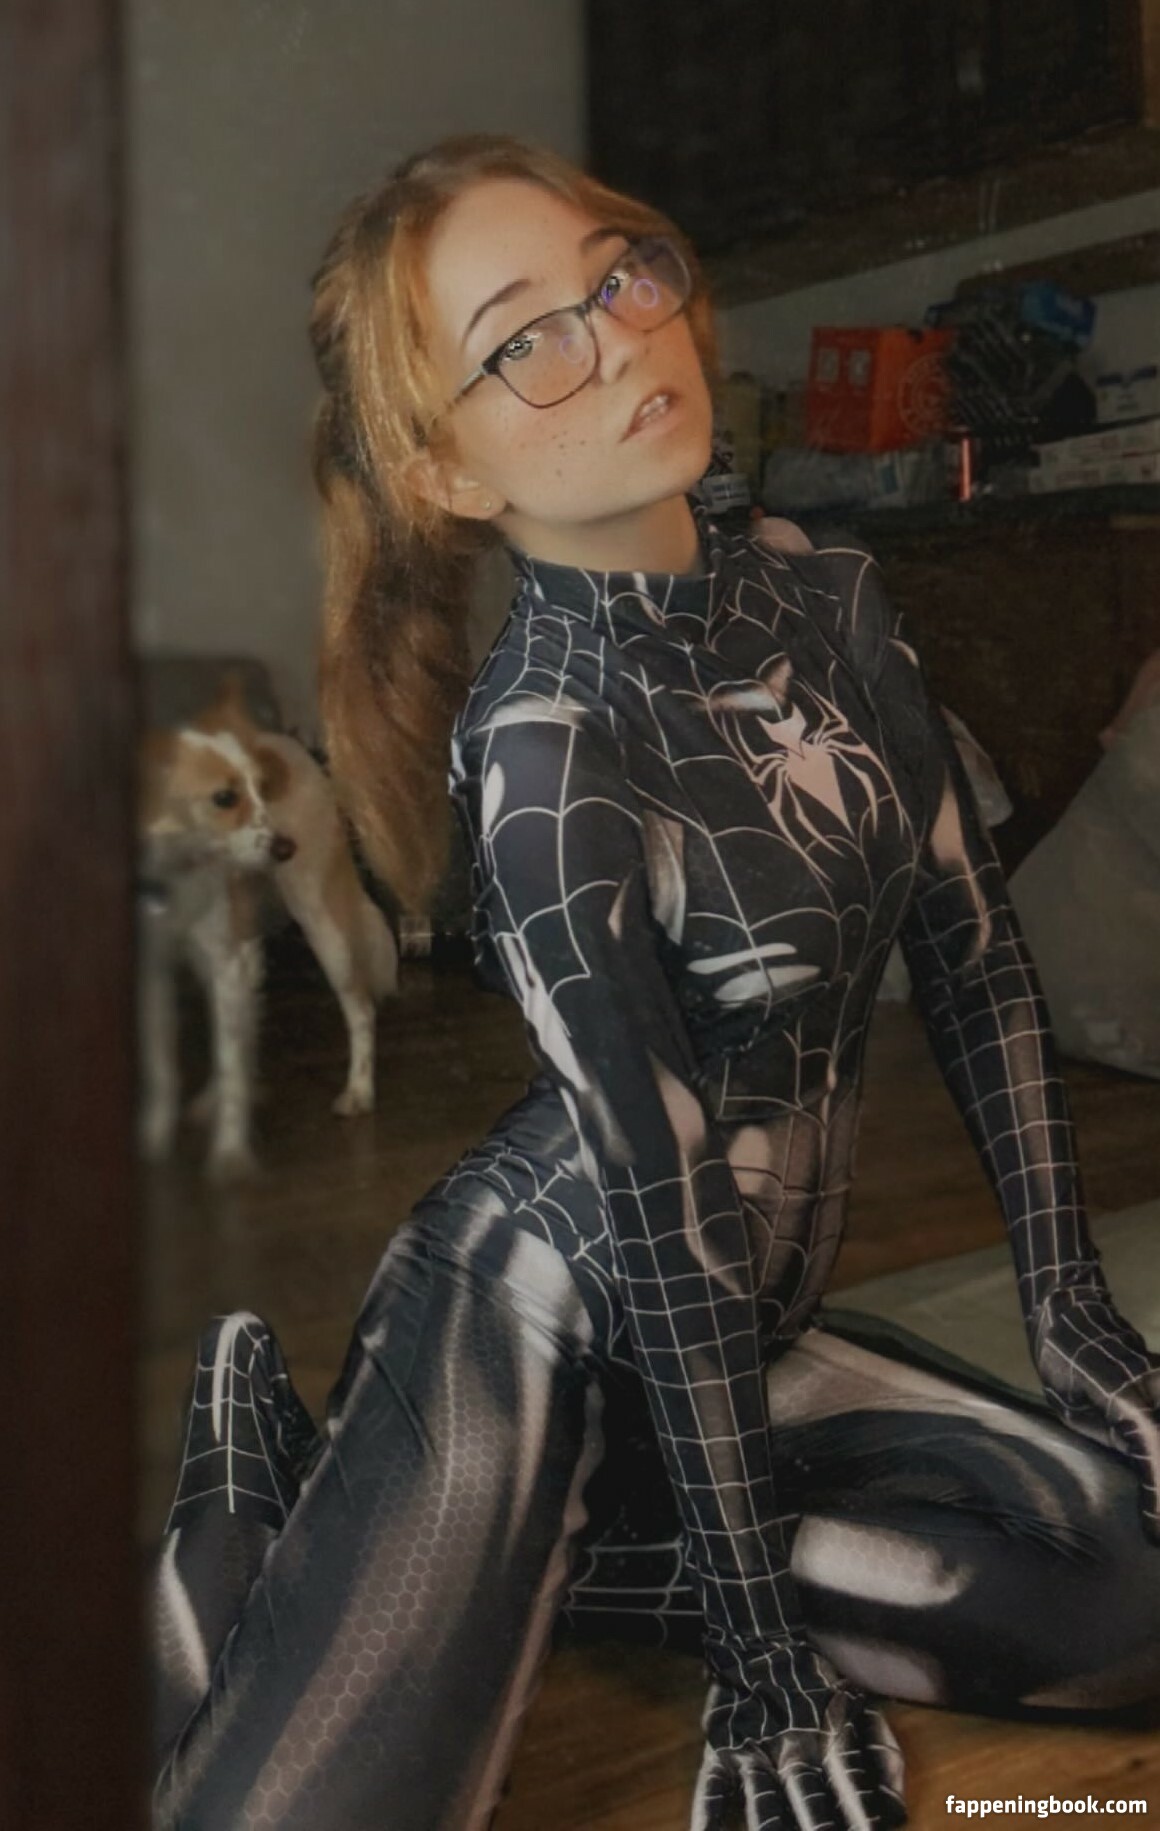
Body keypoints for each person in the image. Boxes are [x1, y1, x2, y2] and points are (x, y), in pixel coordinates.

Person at [151, 133, 1160, 1831]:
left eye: (617, 276)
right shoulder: (545, 755)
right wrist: (763, 1664)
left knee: (1127, 1600)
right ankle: (259, 1482)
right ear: (447, 471)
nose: (619, 338)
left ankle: (549, 1553)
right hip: (541, 1317)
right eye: (526, 339)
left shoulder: (835, 600)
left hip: (744, 1336)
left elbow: (977, 962)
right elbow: (664, 1208)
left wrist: (1074, 1314)